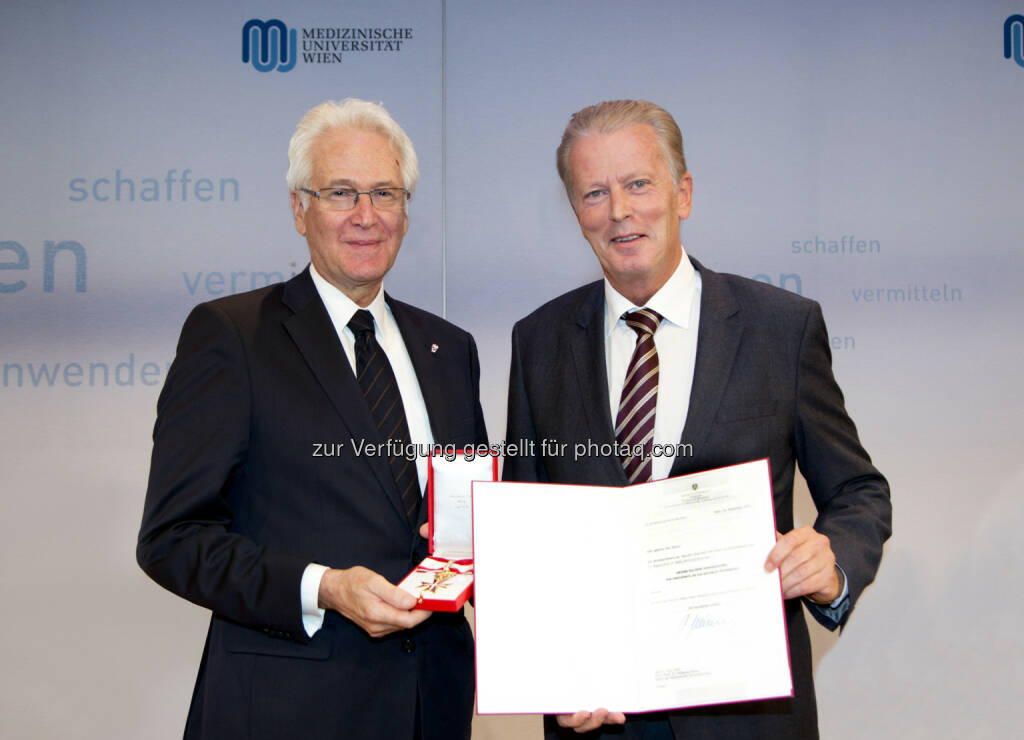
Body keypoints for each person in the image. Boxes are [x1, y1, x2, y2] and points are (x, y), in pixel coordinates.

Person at [503, 99, 891, 739]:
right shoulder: (539, 340)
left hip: (746, 715)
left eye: (638, 184)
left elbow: (858, 490)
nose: (619, 210)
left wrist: (834, 562)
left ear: (682, 194)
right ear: (576, 212)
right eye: (595, 192)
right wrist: (552, 671)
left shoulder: (781, 328)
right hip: (598, 716)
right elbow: (528, 528)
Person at [137, 98, 486, 740]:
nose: (366, 215)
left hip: (431, 704)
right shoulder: (232, 337)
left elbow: (468, 525)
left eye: (384, 192)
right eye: (340, 193)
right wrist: (322, 587)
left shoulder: (450, 349)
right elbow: (173, 538)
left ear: (406, 211)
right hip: (287, 709)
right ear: (299, 209)